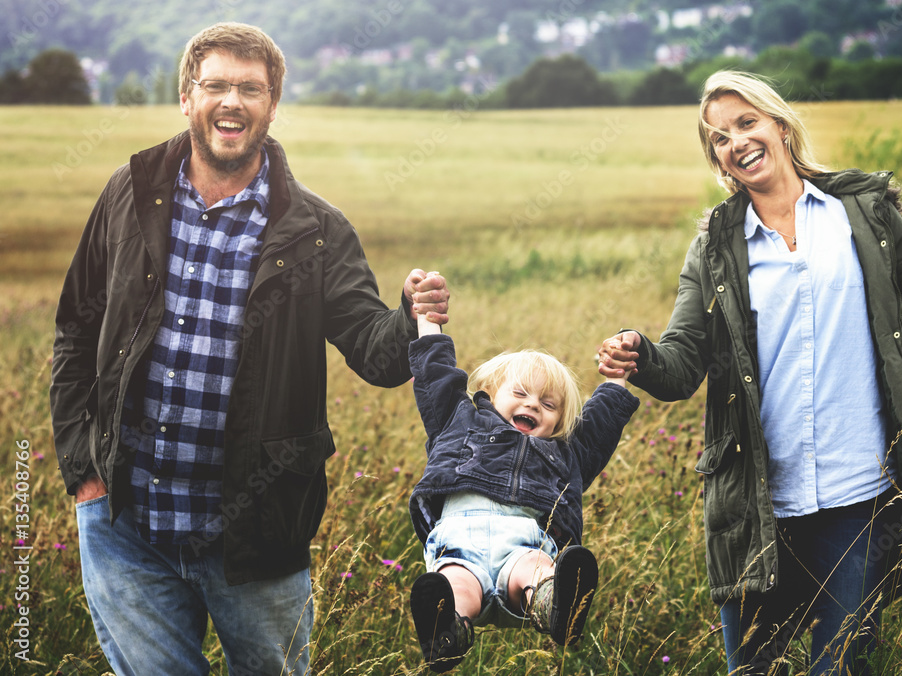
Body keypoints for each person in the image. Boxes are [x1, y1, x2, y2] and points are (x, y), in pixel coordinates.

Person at [49, 22, 449, 675]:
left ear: (272, 104)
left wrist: (408, 317)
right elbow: (74, 331)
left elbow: (376, 354)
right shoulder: (130, 193)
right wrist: (84, 477)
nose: (231, 101)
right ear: (187, 97)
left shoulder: (316, 230)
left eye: (250, 88)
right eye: (216, 86)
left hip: (257, 534)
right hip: (126, 527)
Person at [598, 70, 902, 675]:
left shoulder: (864, 215)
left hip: (858, 503)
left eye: (745, 123)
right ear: (717, 159)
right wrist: (640, 353)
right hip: (757, 512)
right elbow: (682, 366)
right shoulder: (714, 246)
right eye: (718, 137)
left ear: (779, 125)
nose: (734, 141)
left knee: (840, 668)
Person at [406, 289, 639, 672]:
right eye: (520, 394)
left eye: (549, 405)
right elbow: (436, 377)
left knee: (536, 567)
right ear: (492, 393)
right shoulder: (458, 420)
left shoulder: (566, 452)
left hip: (524, 546)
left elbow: (599, 428)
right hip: (460, 546)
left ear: (560, 420)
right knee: (457, 585)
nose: (533, 405)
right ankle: (447, 633)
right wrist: (427, 321)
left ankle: (555, 608)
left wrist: (616, 379)